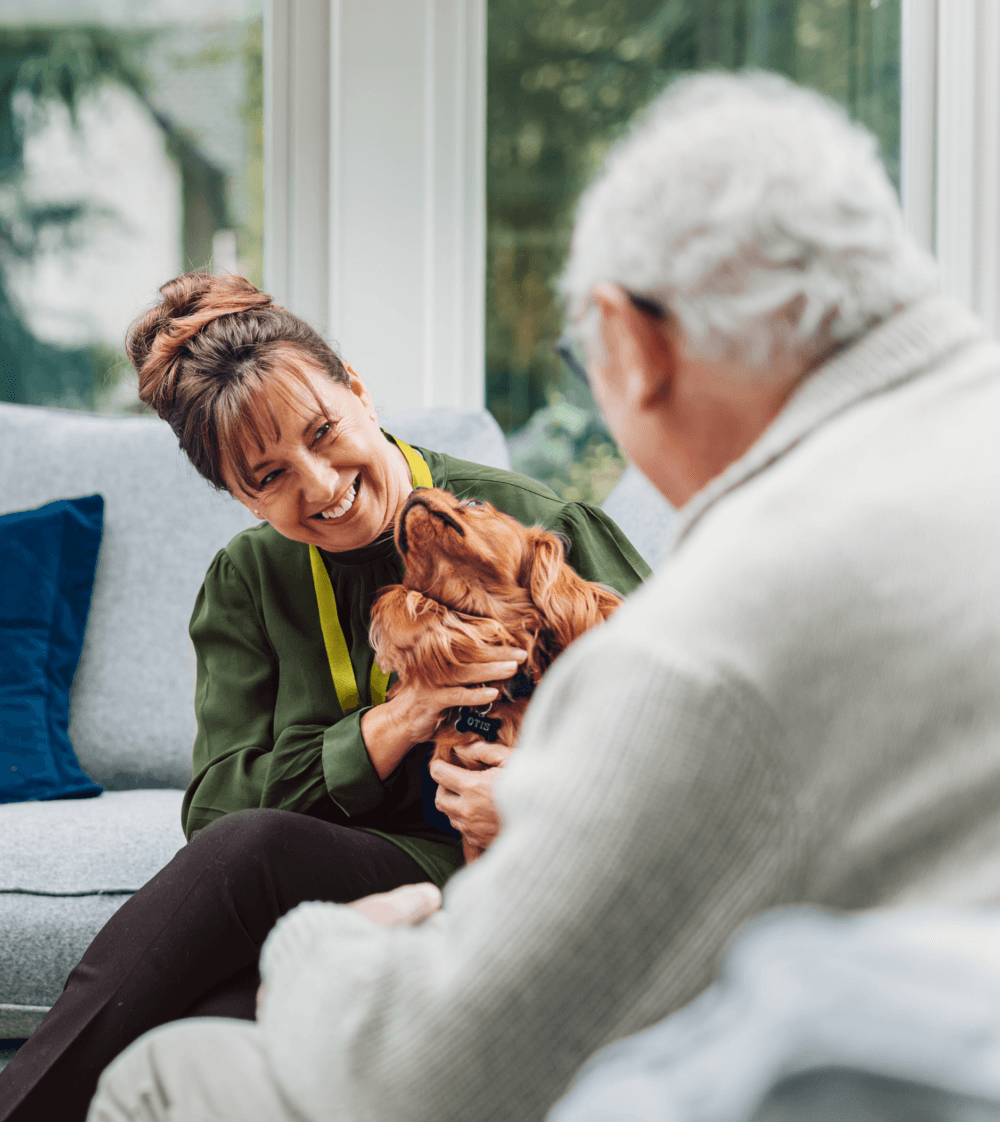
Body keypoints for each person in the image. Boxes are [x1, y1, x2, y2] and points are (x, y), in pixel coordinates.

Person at [86, 70, 1000, 1122]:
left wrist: (317, 946)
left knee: (161, 1074)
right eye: (267, 479)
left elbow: (443, 1068)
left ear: (634, 343)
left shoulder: (712, 637)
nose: (321, 488)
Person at [0, 272, 649, 1122]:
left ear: (358, 390)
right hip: (348, 881)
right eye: (268, 477)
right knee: (206, 1007)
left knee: (233, 939)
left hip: (516, 870)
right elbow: (218, 814)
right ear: (236, 494)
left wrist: (537, 802)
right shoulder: (249, 580)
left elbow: (688, 732)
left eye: (323, 432)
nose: (318, 486)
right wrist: (398, 719)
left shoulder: (534, 527)